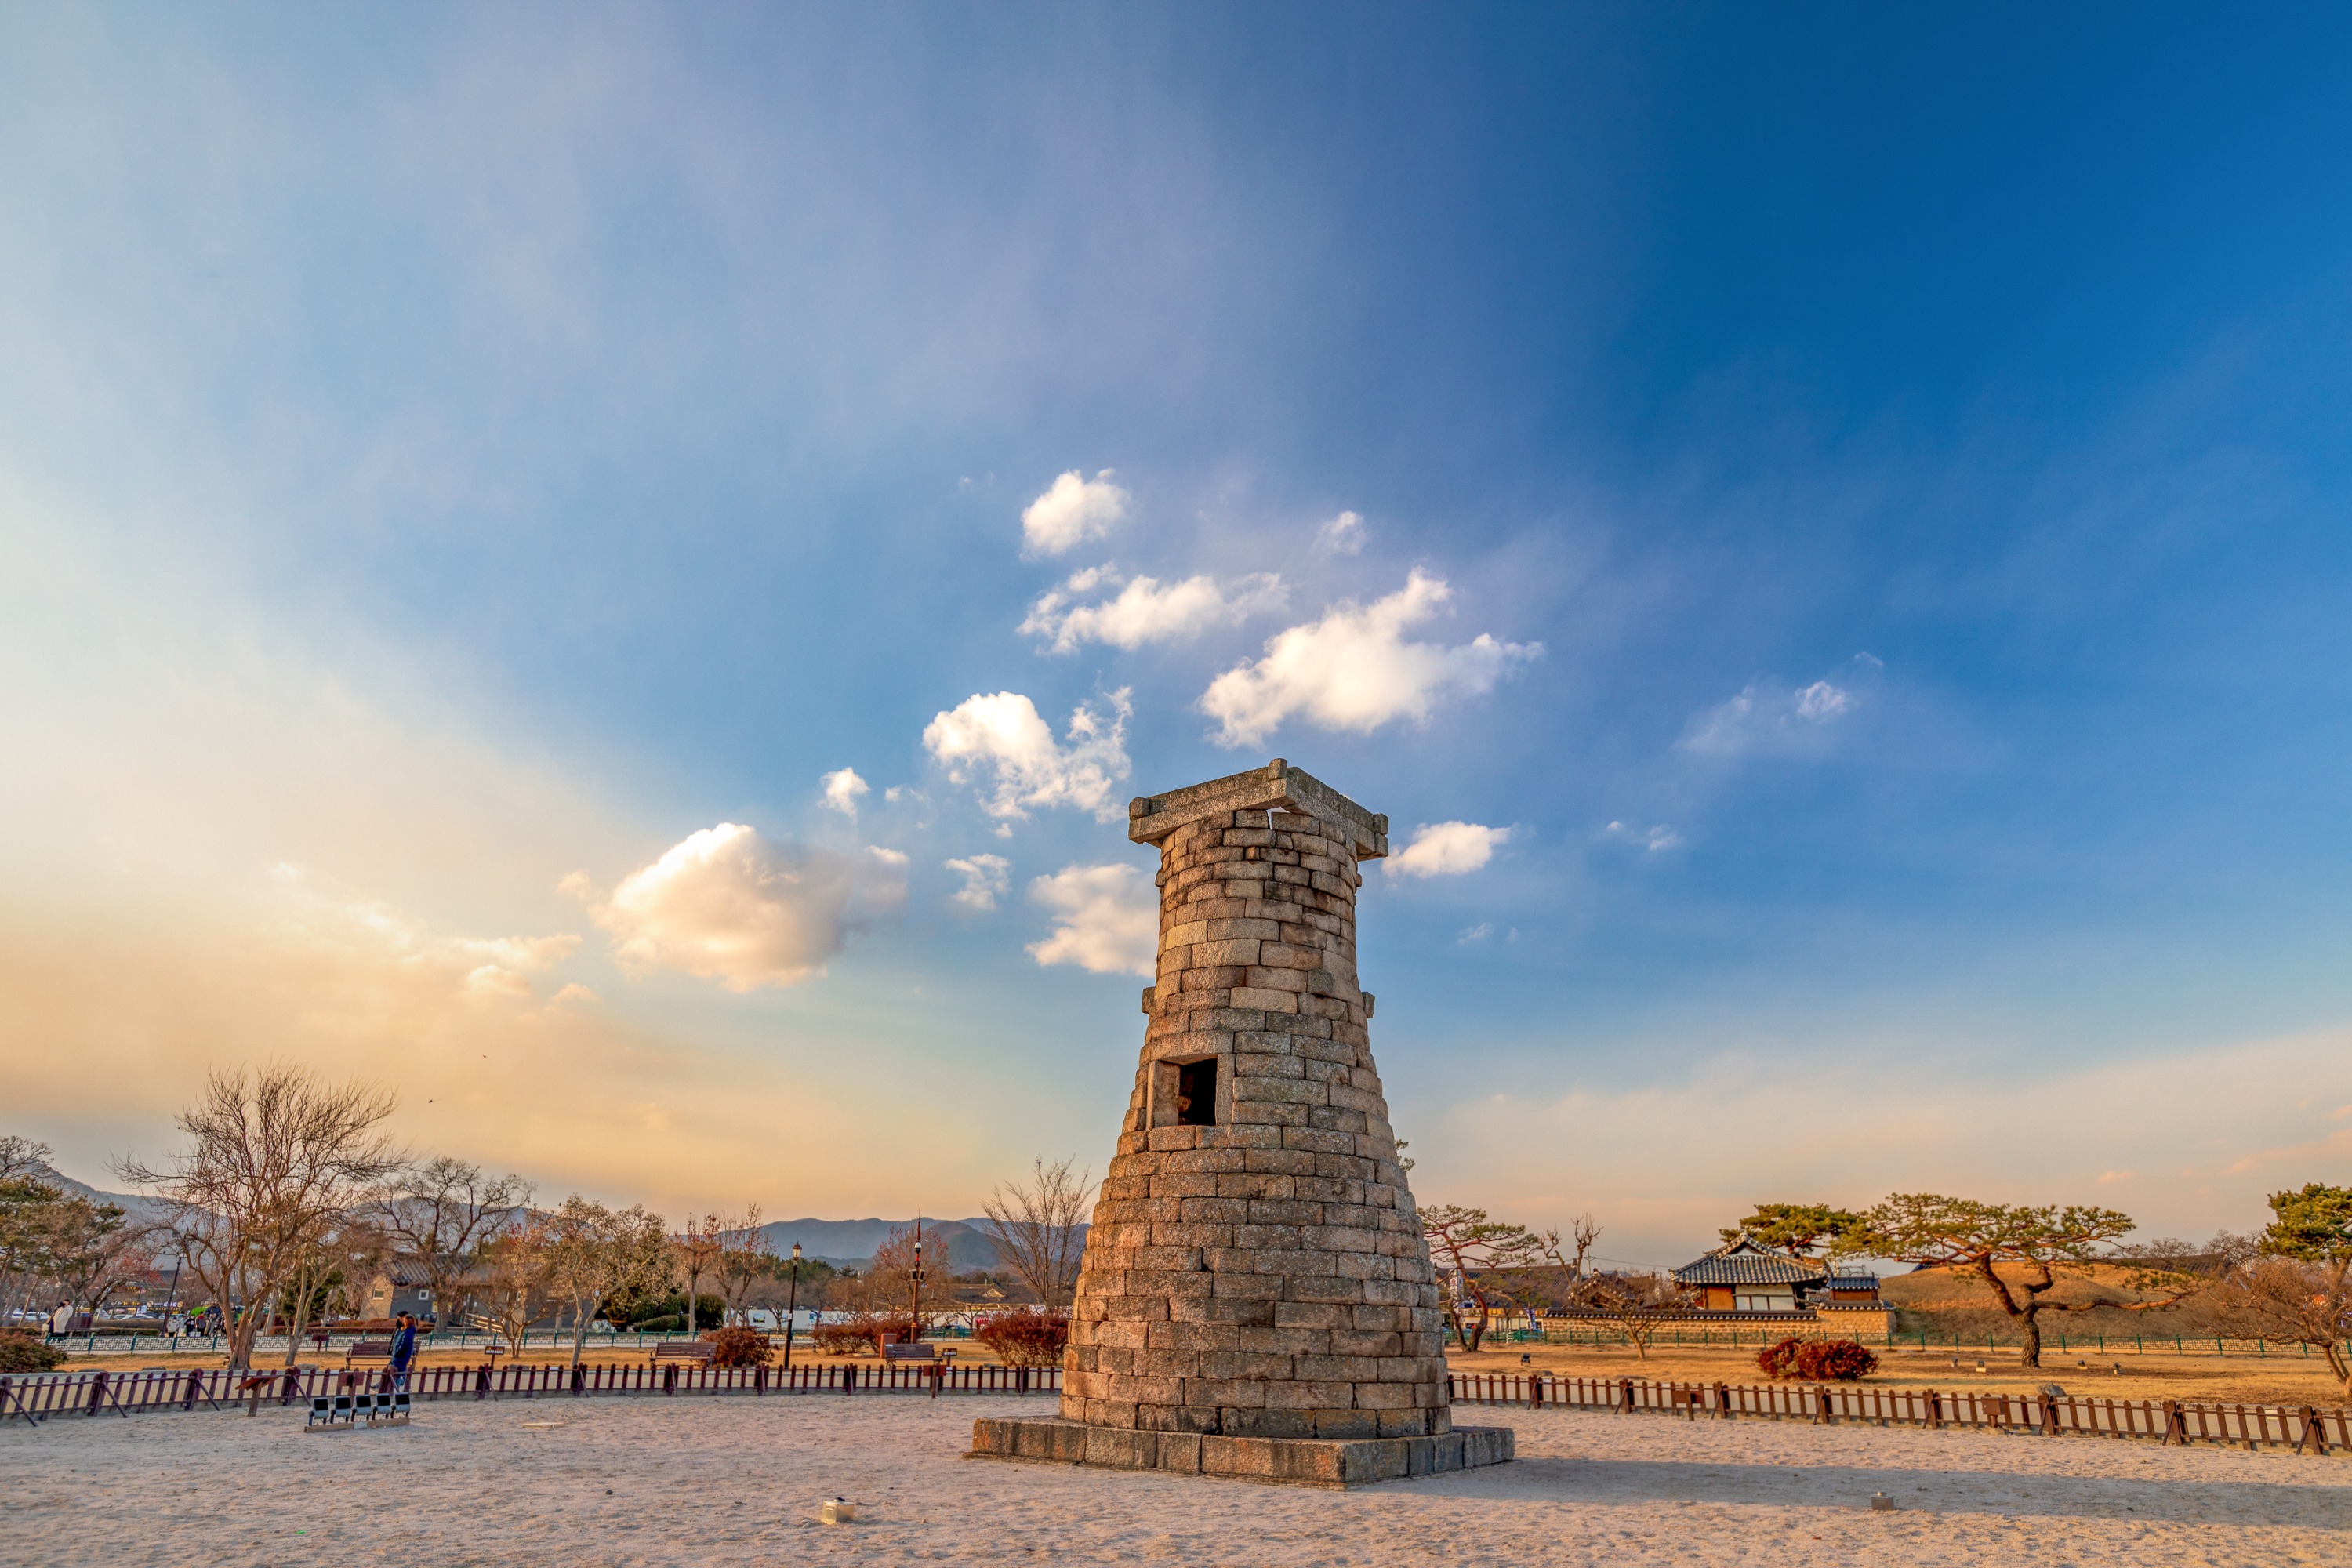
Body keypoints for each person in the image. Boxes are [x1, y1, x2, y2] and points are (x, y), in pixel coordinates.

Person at [387, 1311, 418, 1393]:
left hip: (400, 1357)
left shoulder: (408, 1333)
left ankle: (396, 1390)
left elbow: (404, 1345)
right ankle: (393, 1389)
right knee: (395, 1372)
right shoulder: (405, 1331)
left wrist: (397, 1352)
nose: (402, 1322)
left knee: (397, 1374)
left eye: (404, 1321)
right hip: (398, 1356)